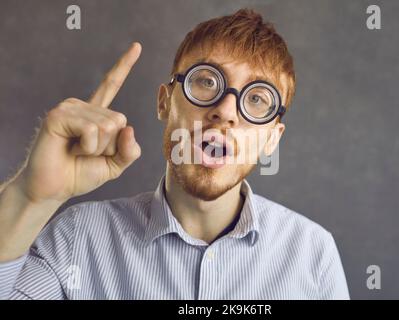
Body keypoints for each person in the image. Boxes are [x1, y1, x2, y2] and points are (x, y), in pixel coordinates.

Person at [0, 8, 349, 299]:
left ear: (272, 138)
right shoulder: (77, 239)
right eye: (207, 81)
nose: (226, 110)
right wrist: (28, 198)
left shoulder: (312, 255)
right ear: (165, 102)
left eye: (257, 99)